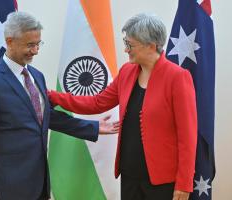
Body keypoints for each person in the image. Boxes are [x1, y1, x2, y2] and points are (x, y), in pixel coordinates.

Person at [0, 11, 118, 200]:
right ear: (10, 41)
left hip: (36, 185)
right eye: (30, 45)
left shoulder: (37, 76)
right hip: (3, 187)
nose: (36, 50)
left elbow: (45, 117)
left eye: (38, 44)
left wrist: (92, 127)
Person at [48, 13, 197, 200]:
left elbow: (188, 136)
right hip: (129, 175)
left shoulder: (177, 77)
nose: (126, 50)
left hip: (162, 181)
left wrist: (184, 183)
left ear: (151, 45)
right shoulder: (127, 72)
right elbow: (97, 103)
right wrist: (53, 96)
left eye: (130, 44)